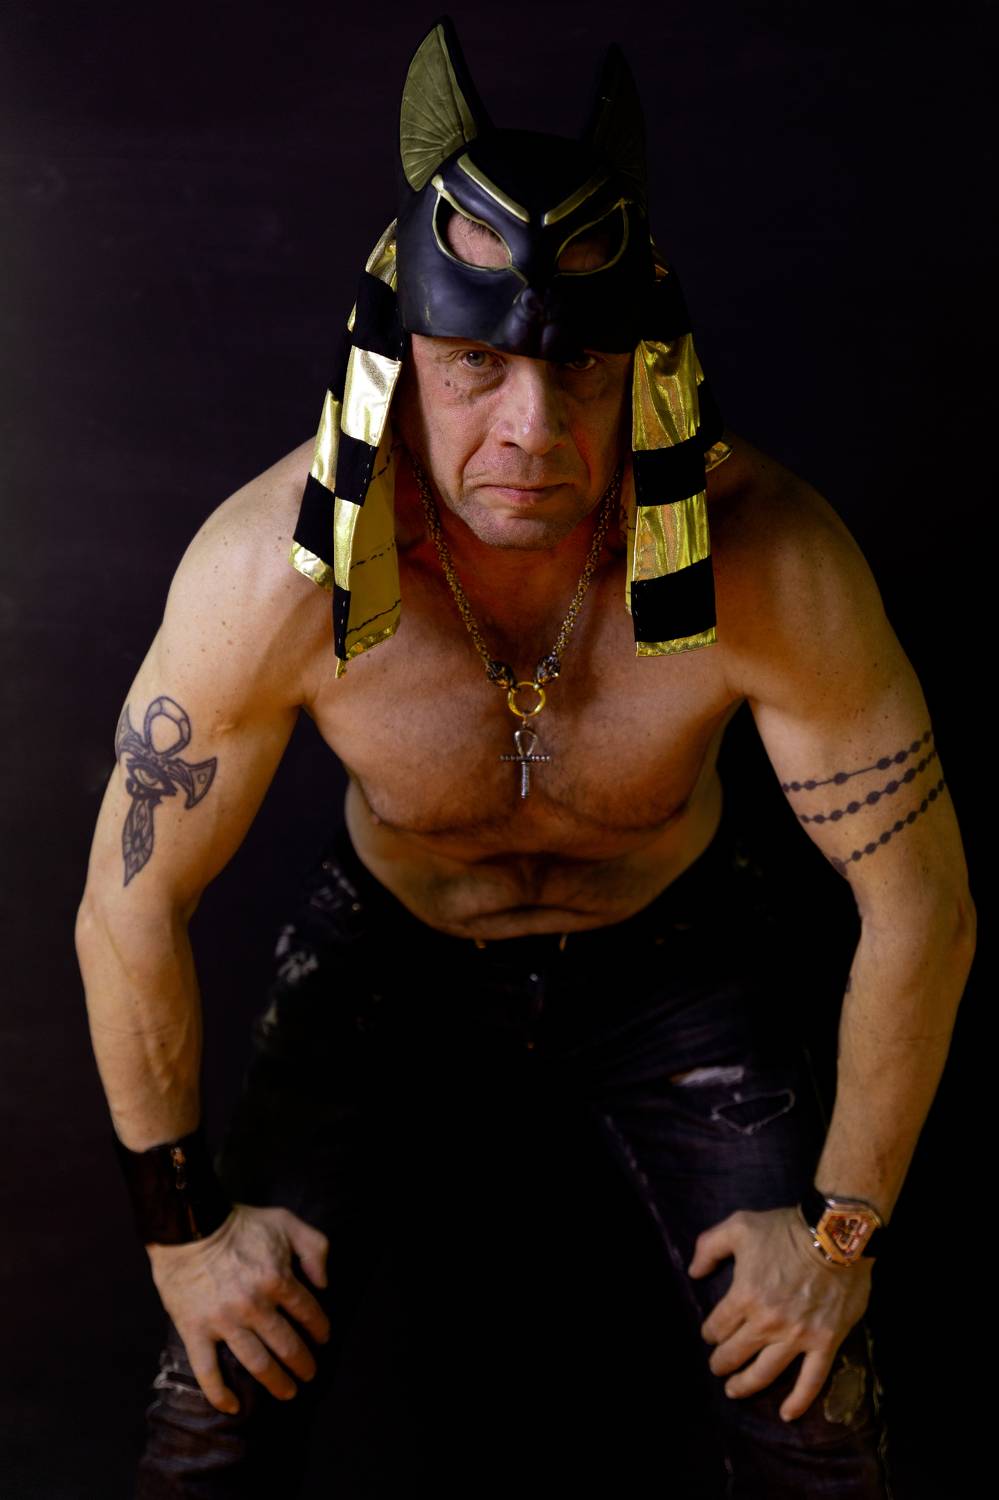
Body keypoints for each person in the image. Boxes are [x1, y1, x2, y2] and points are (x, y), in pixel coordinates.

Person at [75, 17, 974, 1498]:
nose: (531, 428)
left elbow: (924, 903)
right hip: (391, 954)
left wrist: (841, 1234)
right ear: (396, 355)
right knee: (211, 1414)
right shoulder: (275, 575)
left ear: (647, 362)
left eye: (582, 369)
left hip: (677, 954)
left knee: (819, 1412)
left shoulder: (769, 564)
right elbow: (125, 905)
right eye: (474, 365)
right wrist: (183, 1237)